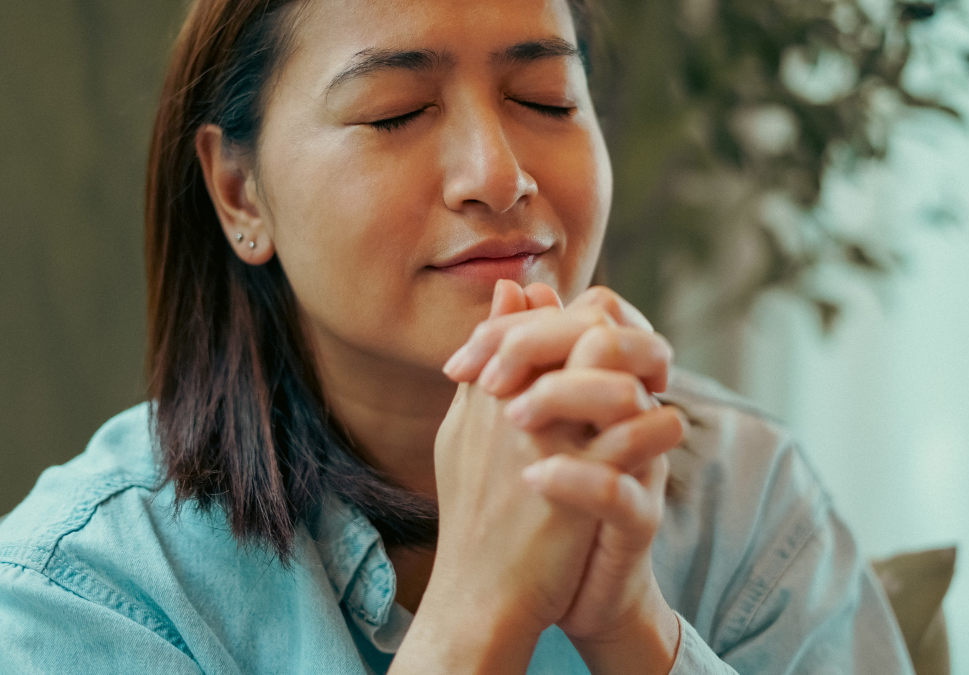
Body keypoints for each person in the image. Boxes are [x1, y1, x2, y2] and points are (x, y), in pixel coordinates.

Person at [0, 0, 913, 672]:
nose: (499, 174)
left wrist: (639, 633)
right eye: (396, 112)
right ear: (241, 192)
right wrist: (475, 617)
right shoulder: (85, 590)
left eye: (547, 99)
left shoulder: (743, 500)